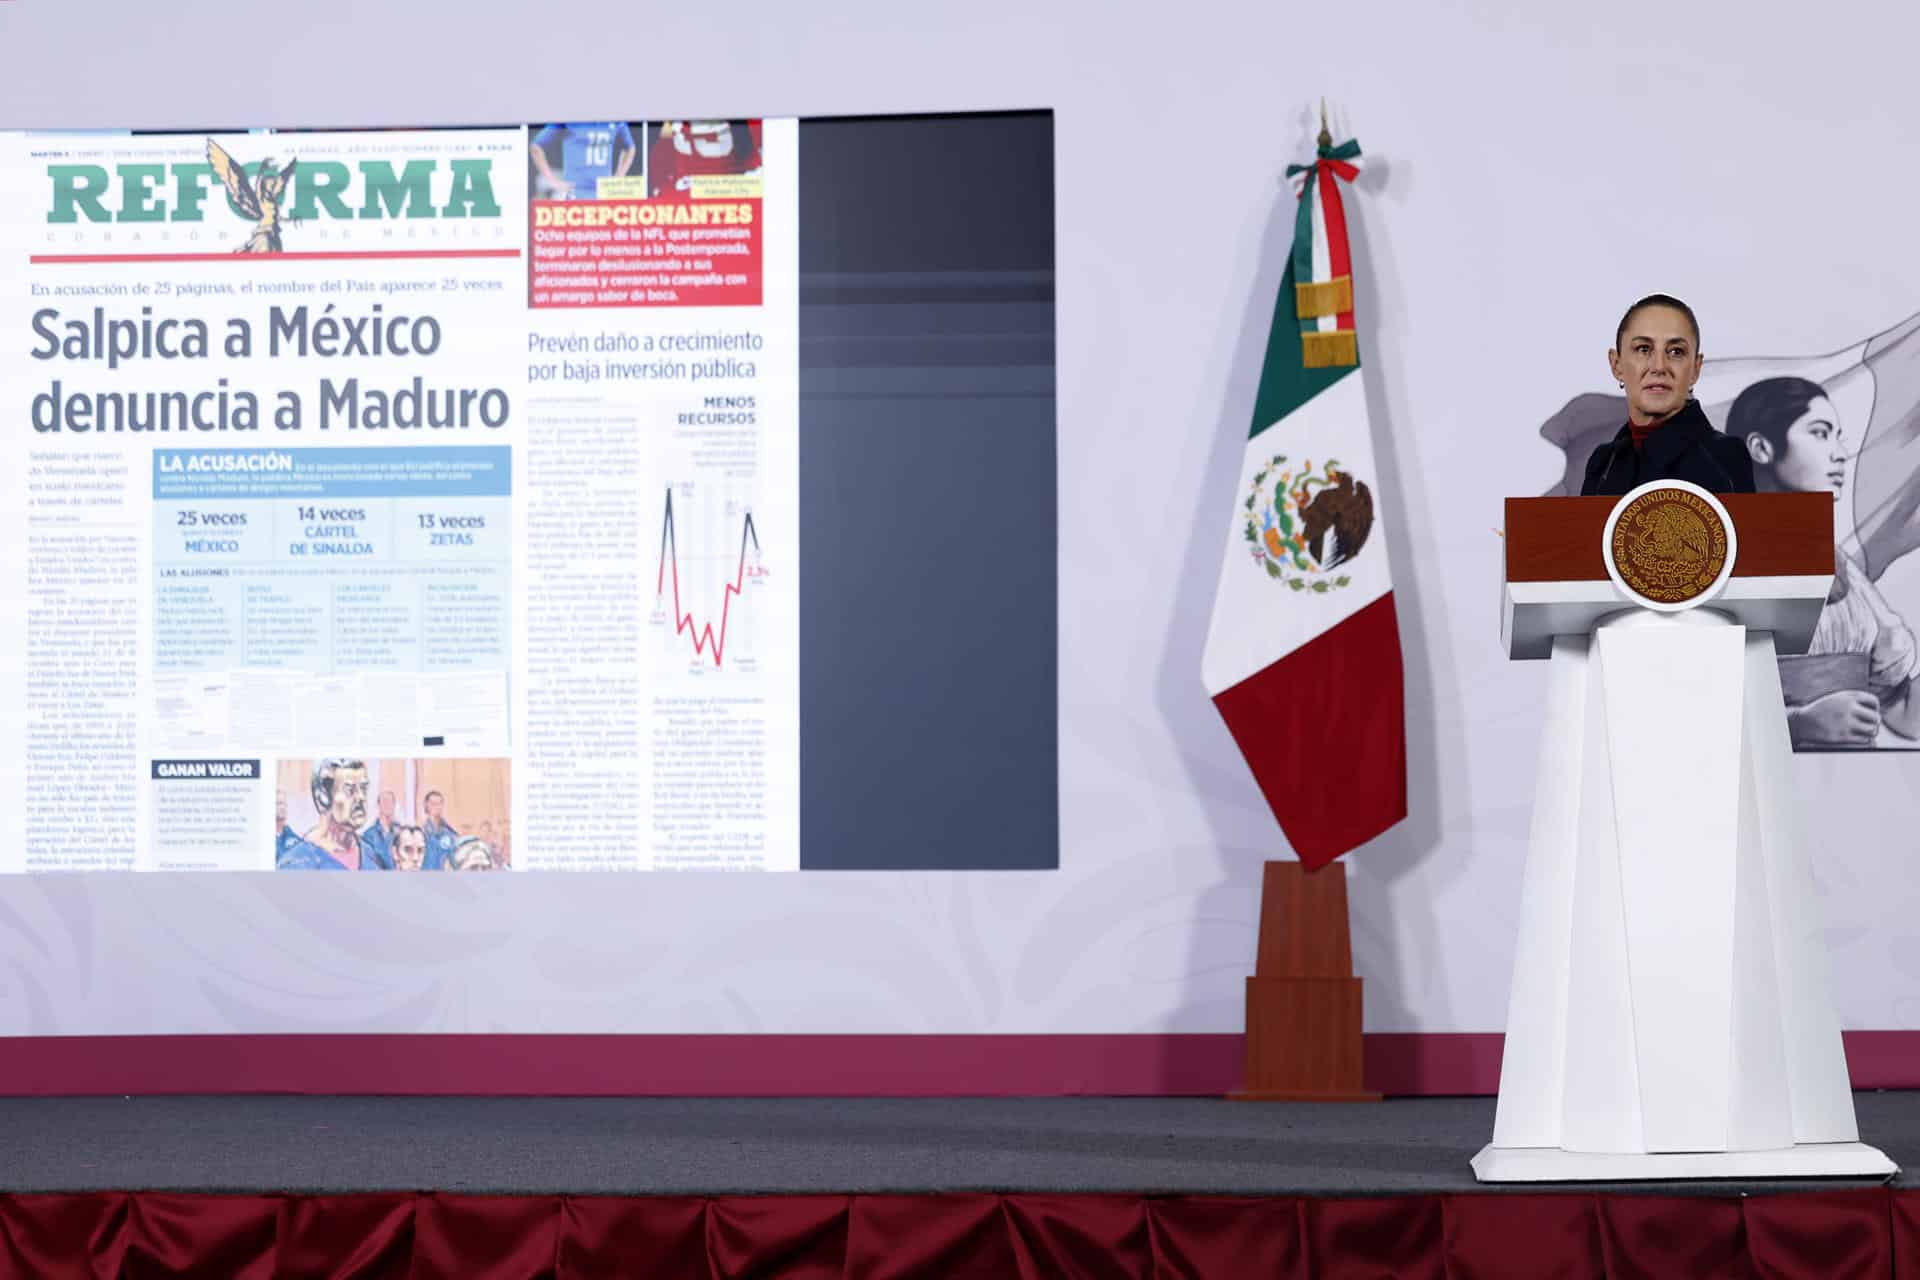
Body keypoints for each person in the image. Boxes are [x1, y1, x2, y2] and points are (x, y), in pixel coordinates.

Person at [1732, 376, 1920, 747]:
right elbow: (1683, 700)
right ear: (1761, 448)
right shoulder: (1717, 556)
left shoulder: (1839, 563)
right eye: (1820, 433)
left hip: (1848, 784)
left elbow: (1900, 709)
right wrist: (1796, 724)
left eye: (1838, 436)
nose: (1839, 453)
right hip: (1760, 782)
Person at [1581, 294, 1755, 496]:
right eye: (1643, 349)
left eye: (1675, 352)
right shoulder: (1603, 462)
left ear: (1695, 369)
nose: (1659, 367)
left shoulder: (1725, 456)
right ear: (1616, 364)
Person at [277, 759, 369, 870]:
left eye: (363, 788)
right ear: (323, 798)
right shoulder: (297, 863)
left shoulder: (371, 855)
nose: (361, 797)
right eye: (350, 790)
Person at [530, 123, 636, 200]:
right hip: (578, 194)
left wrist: (618, 178)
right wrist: (553, 182)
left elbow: (630, 148)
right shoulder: (569, 121)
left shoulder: (616, 121)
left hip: (602, 195)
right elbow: (536, 147)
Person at [360, 789, 398, 871]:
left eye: (391, 802)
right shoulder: (368, 835)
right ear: (378, 805)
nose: (388, 805)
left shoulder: (400, 832)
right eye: (385, 802)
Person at [421, 789, 459, 870]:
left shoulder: (449, 834)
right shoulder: (421, 832)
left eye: (439, 803)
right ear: (426, 805)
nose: (437, 807)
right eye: (433, 804)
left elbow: (454, 860)